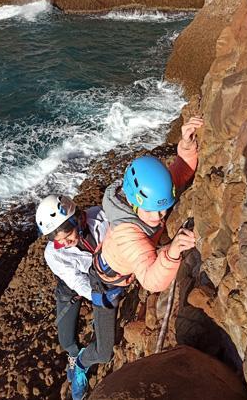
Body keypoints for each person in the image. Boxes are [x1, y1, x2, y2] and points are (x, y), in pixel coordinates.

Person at [73, 116, 203, 399]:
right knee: (106, 350)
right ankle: (81, 362)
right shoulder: (128, 235)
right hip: (106, 285)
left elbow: (179, 173)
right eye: (156, 211)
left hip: (123, 269)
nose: (162, 215)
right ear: (134, 203)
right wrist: (172, 252)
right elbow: (151, 280)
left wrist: (186, 142)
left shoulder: (149, 199)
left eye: (164, 208)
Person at [35, 194, 108, 400]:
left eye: (68, 237)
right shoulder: (53, 254)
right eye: (59, 242)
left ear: (78, 220)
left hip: (101, 280)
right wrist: (97, 298)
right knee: (66, 341)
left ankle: (81, 368)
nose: (65, 244)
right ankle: (74, 358)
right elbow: (75, 281)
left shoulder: (100, 218)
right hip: (70, 289)